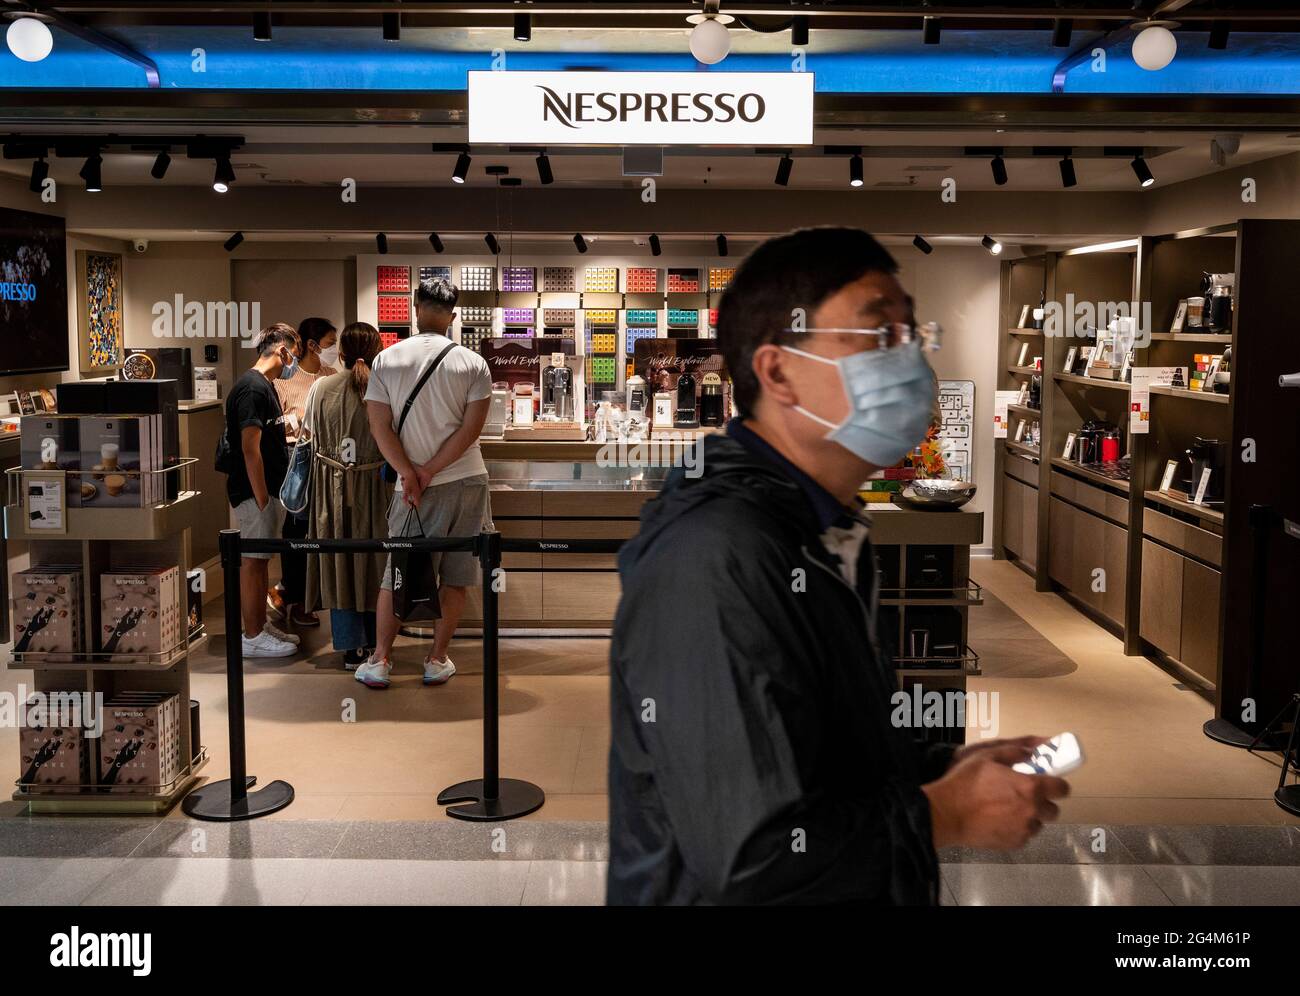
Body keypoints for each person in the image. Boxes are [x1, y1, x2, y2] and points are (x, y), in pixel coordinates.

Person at [607, 227, 1068, 905]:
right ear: (778, 372)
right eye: (878, 336)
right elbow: (752, 858)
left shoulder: (826, 529)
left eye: (911, 334)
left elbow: (815, 753)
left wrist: (936, 775)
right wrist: (948, 815)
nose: (909, 357)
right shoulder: (715, 558)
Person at [356, 277, 493, 689]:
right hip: (467, 479)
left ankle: (380, 660)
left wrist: (411, 472)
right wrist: (432, 469)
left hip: (413, 488)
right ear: (453, 316)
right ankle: (437, 658)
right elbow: (471, 431)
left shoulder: (387, 360)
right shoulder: (473, 363)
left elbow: (379, 427)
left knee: (397, 573)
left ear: (416, 308)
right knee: (456, 575)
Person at [303, 323, 392, 669]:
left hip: (332, 488)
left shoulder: (321, 388)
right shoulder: (384, 389)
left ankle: (350, 646)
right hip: (376, 487)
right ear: (377, 351)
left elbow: (308, 433)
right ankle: (376, 643)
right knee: (375, 562)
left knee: (339, 562)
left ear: (339, 353)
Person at [221, 322, 301, 659]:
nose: (293, 363)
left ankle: (258, 625)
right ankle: (252, 635)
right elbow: (250, 448)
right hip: (256, 493)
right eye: (292, 355)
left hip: (266, 491)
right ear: (281, 350)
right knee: (253, 562)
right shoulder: (252, 389)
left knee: (261, 561)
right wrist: (263, 497)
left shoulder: (264, 386)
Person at [271, 316, 339, 630]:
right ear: (312, 345)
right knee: (297, 528)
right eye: (329, 343)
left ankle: (300, 595)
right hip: (295, 461)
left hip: (328, 461)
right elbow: (274, 424)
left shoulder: (331, 375)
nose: (333, 349)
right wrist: (292, 421)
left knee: (320, 529)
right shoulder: (285, 378)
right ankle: (296, 598)